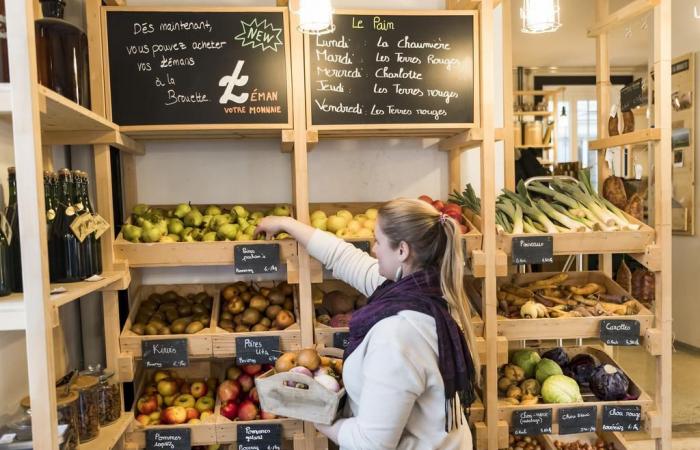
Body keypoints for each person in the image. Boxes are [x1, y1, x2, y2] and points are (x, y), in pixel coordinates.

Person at [255, 198, 480, 450]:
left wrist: (313, 411)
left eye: (378, 241)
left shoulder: (397, 334)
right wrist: (286, 223)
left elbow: (371, 443)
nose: (373, 249)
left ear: (402, 251)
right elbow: (343, 257)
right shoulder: (424, 291)